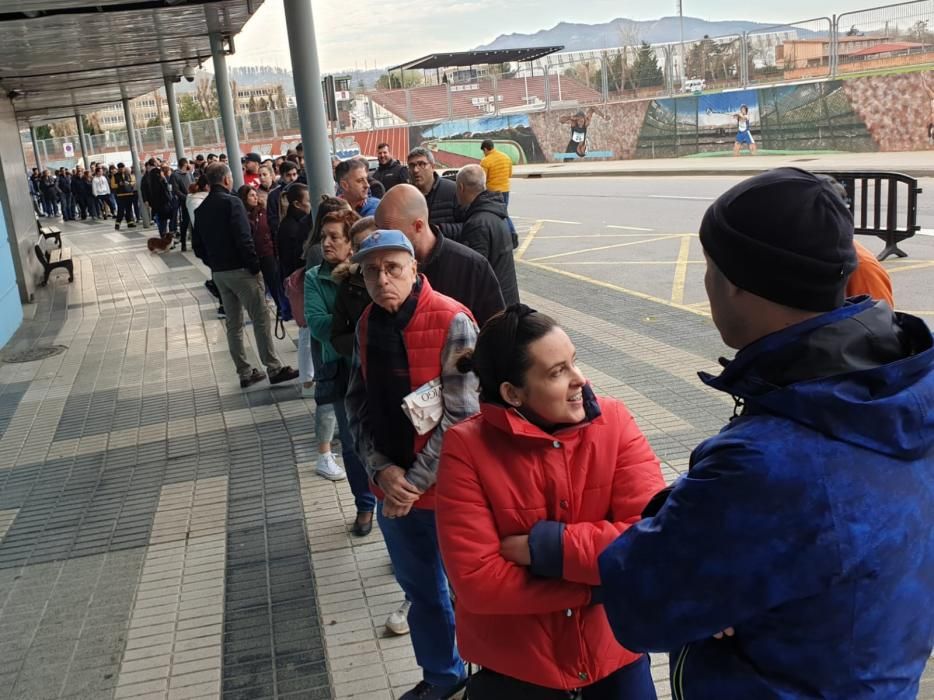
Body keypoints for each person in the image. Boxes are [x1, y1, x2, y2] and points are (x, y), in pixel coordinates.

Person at [598, 168, 934, 699]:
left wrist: (692, 528)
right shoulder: (906, 393)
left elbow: (640, 603)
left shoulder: (763, 463)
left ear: (734, 282)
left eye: (708, 267)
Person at [437, 305, 664, 699]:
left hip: (615, 655)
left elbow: (652, 543)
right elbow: (477, 582)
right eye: (557, 372)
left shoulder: (615, 422)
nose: (580, 380)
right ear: (512, 393)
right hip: (517, 669)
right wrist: (599, 588)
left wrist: (543, 549)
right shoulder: (466, 447)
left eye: (574, 362)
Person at [346, 229, 479, 700]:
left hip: (448, 492)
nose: (382, 279)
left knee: (472, 593)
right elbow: (356, 406)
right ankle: (444, 677)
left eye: (392, 268)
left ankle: (489, 675)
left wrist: (411, 484)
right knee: (422, 593)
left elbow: (464, 418)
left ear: (413, 269)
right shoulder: (366, 323)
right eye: (371, 271)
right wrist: (381, 470)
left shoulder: (452, 320)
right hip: (394, 491)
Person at [192, 163, 299, 389]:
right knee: (260, 318)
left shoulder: (201, 209)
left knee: (234, 324)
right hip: (242, 270)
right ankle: (274, 367)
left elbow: (197, 247)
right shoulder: (233, 203)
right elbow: (244, 238)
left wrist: (214, 263)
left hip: (220, 273)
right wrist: (253, 266)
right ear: (227, 179)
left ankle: (244, 371)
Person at [304, 209, 377, 530]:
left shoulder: (371, 273)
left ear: (352, 245)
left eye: (335, 237)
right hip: (341, 371)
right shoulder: (314, 277)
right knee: (350, 443)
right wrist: (357, 327)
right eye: (323, 237)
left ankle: (392, 506)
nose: (326, 243)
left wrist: (348, 329)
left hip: (377, 369)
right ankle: (364, 505)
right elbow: (320, 327)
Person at [375, 184, 505, 327]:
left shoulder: (472, 268)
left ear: (418, 226)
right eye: (379, 232)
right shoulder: (378, 271)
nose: (382, 242)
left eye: (391, 234)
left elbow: (496, 335)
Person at [455, 165, 519, 305]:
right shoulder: (496, 211)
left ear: (461, 187)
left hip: (494, 305)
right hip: (507, 297)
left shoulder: (477, 223)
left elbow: (475, 273)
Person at [238, 185, 285, 317]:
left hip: (267, 252)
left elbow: (271, 231)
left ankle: (281, 307)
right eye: (251, 196)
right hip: (252, 255)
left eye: (255, 195)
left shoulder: (263, 212)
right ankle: (258, 310)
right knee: (255, 286)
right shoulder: (241, 215)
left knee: (274, 282)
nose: (255, 198)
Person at [406, 147, 461, 239]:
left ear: (432, 167)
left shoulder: (453, 190)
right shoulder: (405, 196)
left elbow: (469, 227)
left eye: (421, 164)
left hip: (447, 249)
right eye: (412, 165)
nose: (415, 170)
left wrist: (439, 230)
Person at [479, 139, 516, 245]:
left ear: (485, 149)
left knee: (498, 215)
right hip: (505, 190)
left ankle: (511, 235)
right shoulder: (505, 157)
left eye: (483, 151)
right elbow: (509, 174)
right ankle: (510, 235)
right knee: (504, 213)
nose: (484, 153)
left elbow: (482, 179)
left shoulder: (485, 161)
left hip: (493, 192)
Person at [276, 183, 313, 281]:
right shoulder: (294, 228)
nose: (312, 204)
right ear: (297, 204)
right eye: (309, 201)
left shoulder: (290, 222)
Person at [267, 160, 300, 237]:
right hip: (284, 235)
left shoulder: (302, 191)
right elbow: (272, 219)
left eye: (294, 174)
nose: (292, 178)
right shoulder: (274, 195)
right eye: (288, 175)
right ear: (282, 176)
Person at [170, 158, 194, 251]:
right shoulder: (175, 175)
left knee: (193, 222)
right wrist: (186, 197)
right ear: (185, 164)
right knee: (185, 223)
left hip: (192, 200)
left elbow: (193, 184)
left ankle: (194, 243)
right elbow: (176, 190)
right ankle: (183, 243)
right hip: (184, 203)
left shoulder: (189, 174)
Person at [110, 162, 137, 230]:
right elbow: (112, 185)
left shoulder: (129, 174)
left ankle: (129, 223)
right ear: (118, 169)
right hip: (120, 195)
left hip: (129, 194)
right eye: (120, 168)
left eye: (122, 168)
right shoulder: (115, 176)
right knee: (121, 210)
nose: (121, 169)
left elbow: (134, 181)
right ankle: (117, 223)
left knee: (129, 209)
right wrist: (119, 184)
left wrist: (130, 183)